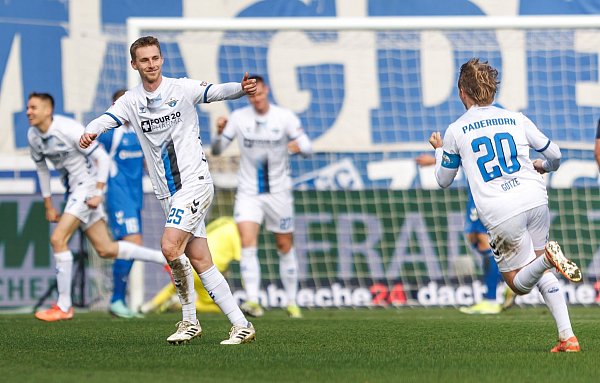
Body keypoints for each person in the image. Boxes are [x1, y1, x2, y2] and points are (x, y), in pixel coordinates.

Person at [81, 36, 257, 345]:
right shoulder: (131, 100)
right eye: (144, 60)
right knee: (201, 260)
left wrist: (241, 88)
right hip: (168, 194)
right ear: (134, 64)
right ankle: (241, 324)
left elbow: (215, 91)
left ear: (162, 59)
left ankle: (189, 320)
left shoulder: (182, 88)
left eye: (155, 58)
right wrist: (90, 130)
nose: (151, 64)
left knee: (170, 247)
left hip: (195, 183)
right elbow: (107, 119)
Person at [429, 58, 582, 352]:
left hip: (502, 211)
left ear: (462, 91)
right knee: (539, 268)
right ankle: (568, 337)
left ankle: (550, 258)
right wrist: (544, 166)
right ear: (493, 91)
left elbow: (444, 180)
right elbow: (557, 154)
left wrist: (439, 152)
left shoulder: (456, 130)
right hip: (536, 199)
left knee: (518, 284)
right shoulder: (516, 118)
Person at [27, 92, 167, 322]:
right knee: (106, 249)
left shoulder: (69, 129)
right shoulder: (34, 136)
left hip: (87, 189)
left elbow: (102, 158)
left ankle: (64, 306)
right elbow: (42, 169)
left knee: (57, 240)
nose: (28, 112)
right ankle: (166, 259)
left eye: (33, 107)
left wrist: (98, 192)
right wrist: (48, 204)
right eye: (28, 108)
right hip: (76, 190)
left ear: (48, 110)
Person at [211, 75, 312, 319]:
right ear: (247, 94)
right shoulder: (238, 118)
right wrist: (218, 133)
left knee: (284, 245)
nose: (256, 96)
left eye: (259, 91)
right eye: (251, 92)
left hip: (279, 192)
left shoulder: (284, 117)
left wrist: (295, 147)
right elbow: (216, 150)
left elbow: (307, 147)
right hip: (248, 192)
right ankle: (253, 301)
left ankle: (291, 302)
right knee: (247, 244)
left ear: (267, 90)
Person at [415, 153, 515, 314]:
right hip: (494, 194)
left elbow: (468, 157)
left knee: (482, 240)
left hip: (483, 195)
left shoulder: (474, 135)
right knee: (479, 239)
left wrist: (436, 159)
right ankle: (513, 281)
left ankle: (492, 298)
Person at [97, 89, 146, 318]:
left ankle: (120, 299)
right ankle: (117, 299)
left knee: (129, 247)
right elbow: (90, 153)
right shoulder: (109, 134)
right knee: (132, 242)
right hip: (117, 195)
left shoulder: (140, 130)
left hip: (136, 196)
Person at [140, 216, 241, 314]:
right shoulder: (238, 234)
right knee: (218, 306)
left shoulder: (224, 222)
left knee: (176, 285)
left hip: (191, 261)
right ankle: (179, 304)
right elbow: (242, 259)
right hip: (208, 269)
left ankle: (150, 305)